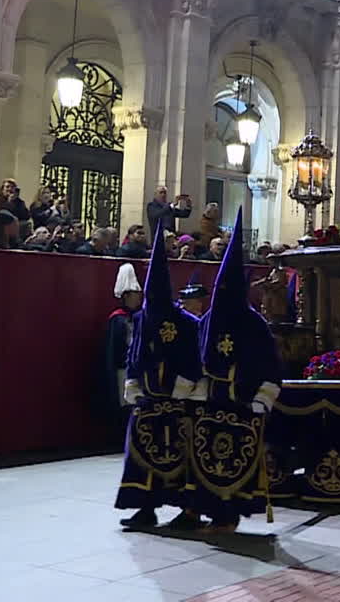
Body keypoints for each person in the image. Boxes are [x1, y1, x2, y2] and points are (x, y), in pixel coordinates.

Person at [182, 209, 283, 533]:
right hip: (210, 402)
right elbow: (197, 357)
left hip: (242, 404)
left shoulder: (254, 324)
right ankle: (201, 510)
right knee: (204, 458)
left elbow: (270, 366)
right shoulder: (209, 320)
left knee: (231, 461)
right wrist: (194, 392)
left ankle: (228, 514)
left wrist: (261, 400)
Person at [116, 221, 201, 530]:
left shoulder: (187, 322)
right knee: (140, 455)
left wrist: (184, 387)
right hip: (148, 399)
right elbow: (135, 352)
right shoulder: (142, 318)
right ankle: (145, 508)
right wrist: (132, 382)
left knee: (182, 458)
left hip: (178, 402)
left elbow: (194, 357)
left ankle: (189, 511)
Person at [102, 263, 143, 435]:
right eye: (135, 294)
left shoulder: (141, 316)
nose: (139, 298)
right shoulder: (117, 319)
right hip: (122, 369)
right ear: (126, 296)